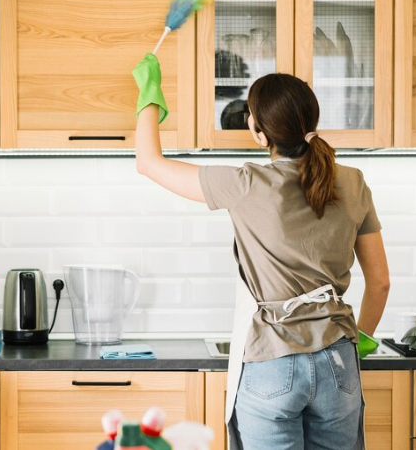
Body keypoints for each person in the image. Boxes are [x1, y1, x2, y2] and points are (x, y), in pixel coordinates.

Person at [132, 53, 390, 450]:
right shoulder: (353, 181)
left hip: (272, 362)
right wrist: (364, 340)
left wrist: (150, 93)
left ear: (258, 131)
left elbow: (149, 163)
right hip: (339, 361)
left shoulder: (246, 183)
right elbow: (381, 283)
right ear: (311, 122)